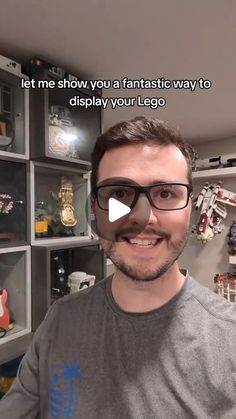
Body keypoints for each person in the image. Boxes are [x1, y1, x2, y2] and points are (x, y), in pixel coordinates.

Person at [1, 116, 236, 418]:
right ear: (95, 210)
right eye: (119, 195)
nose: (143, 218)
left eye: (165, 193)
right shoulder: (60, 320)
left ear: (189, 208)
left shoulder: (228, 338)